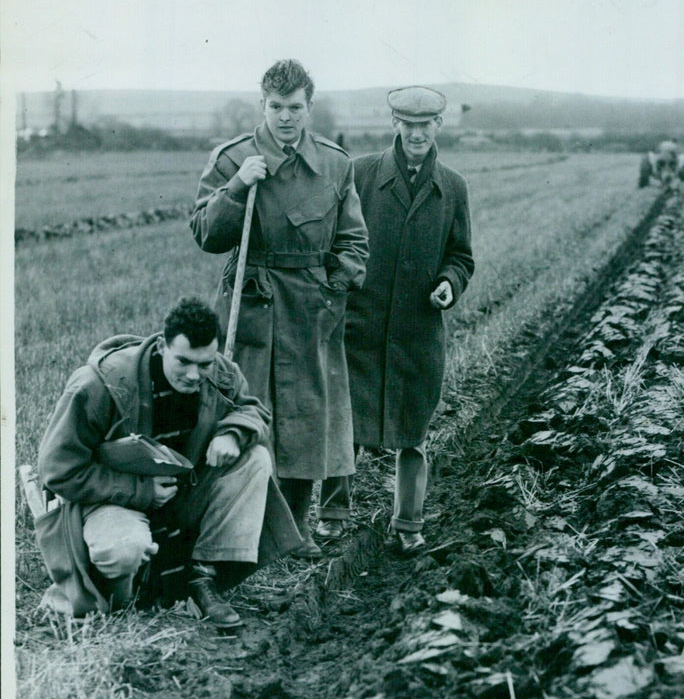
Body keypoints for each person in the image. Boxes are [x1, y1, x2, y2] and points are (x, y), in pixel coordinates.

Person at [190, 59, 369, 558]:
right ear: (261, 105)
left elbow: (355, 239)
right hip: (253, 303)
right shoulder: (233, 159)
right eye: (276, 107)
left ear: (310, 108)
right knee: (250, 412)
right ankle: (244, 532)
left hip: (313, 307)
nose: (285, 118)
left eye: (295, 108)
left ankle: (298, 531)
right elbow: (207, 234)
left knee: (310, 417)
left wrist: (335, 285)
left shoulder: (335, 163)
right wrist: (238, 186)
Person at [35, 297, 301, 628]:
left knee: (255, 458)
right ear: (162, 344)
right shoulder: (99, 384)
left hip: (181, 497)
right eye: (184, 362)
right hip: (110, 500)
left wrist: (232, 433)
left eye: (204, 364)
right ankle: (122, 597)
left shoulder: (217, 371)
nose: (194, 375)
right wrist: (140, 490)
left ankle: (203, 578)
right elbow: (57, 470)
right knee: (124, 550)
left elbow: (253, 410)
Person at [318, 86, 474, 555]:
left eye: (426, 125)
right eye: (408, 124)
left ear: (439, 127)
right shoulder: (361, 174)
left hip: (417, 331)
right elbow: (335, 240)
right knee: (345, 422)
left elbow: (461, 256)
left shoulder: (452, 187)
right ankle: (331, 515)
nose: (417, 133)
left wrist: (450, 282)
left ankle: (408, 525)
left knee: (413, 431)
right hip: (359, 326)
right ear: (395, 125)